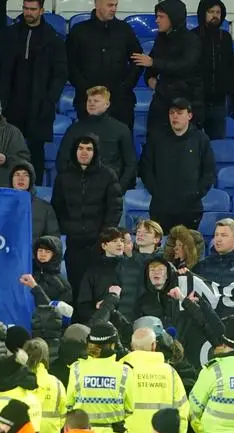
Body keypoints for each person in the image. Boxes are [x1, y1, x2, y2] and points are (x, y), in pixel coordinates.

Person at [0, 0, 68, 177]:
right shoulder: (8, 35)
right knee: (6, 151)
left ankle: (35, 194)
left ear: (42, 10)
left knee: (35, 154)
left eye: (32, 9)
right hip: (9, 105)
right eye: (25, 8)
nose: (28, 13)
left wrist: (49, 101)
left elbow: (60, 74)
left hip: (38, 107)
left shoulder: (52, 40)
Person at [50, 135, 121, 291]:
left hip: (99, 244)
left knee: (99, 288)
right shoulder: (63, 177)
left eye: (89, 149)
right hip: (74, 244)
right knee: (75, 287)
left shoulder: (108, 175)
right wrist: (68, 228)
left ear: (95, 152)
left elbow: (114, 208)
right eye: (80, 148)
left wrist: (104, 236)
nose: (84, 152)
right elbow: (57, 207)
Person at [65, 0, 143, 129]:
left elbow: (138, 60)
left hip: (121, 102)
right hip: (88, 101)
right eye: (110, 5)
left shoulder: (124, 30)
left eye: (115, 5)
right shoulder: (79, 31)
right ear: (97, 4)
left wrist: (125, 86)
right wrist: (86, 88)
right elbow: (69, 64)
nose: (114, 9)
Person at [138, 99, 216, 236]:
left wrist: (196, 193)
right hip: (160, 207)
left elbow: (209, 171)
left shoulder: (201, 139)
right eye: (172, 113)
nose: (175, 116)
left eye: (179, 113)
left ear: (189, 116)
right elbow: (146, 168)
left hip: (190, 208)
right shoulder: (156, 138)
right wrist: (157, 192)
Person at [63, 321, 131, 433]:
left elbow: (69, 405)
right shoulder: (125, 371)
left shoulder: (76, 369)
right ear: (112, 344)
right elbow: (129, 408)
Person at [137, 0, 202, 133]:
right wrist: (149, 78)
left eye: (161, 17)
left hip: (185, 99)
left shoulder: (191, 40)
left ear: (174, 18)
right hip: (162, 98)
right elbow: (151, 64)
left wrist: (154, 63)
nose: (157, 20)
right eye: (157, 16)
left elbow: (185, 65)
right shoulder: (161, 38)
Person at [59, 87, 137, 191]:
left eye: (96, 101)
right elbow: (62, 161)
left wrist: (119, 188)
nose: (91, 104)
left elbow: (131, 164)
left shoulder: (121, 130)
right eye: (89, 100)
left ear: (107, 105)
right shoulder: (74, 129)